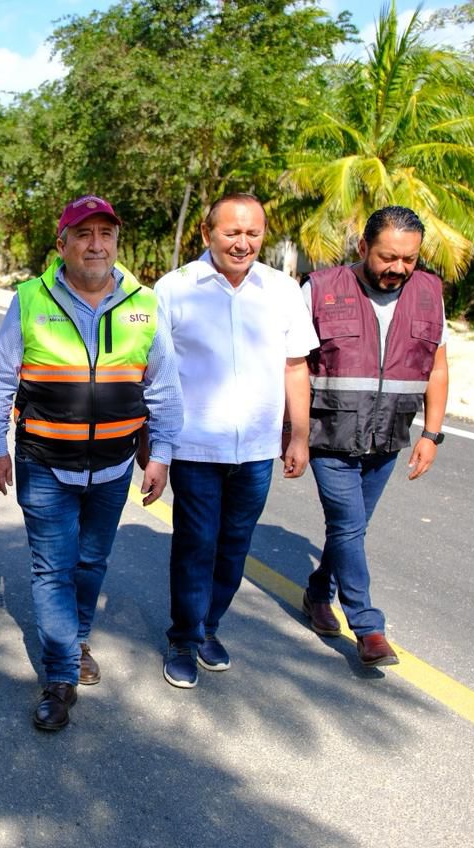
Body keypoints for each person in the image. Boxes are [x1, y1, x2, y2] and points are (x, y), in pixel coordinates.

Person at [0, 195, 182, 731]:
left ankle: (78, 637)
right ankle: (60, 676)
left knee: (91, 562)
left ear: (116, 242)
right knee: (52, 569)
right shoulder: (30, 299)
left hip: (114, 465)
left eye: (105, 234)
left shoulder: (145, 304)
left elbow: (164, 388)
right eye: (83, 234)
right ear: (62, 244)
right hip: (44, 461)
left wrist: (160, 455)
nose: (96, 245)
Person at [153, 193, 318, 689]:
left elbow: (296, 367)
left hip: (257, 450)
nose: (243, 243)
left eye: (253, 233)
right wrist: (155, 444)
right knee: (196, 544)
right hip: (195, 446)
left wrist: (299, 435)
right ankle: (184, 639)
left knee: (234, 546)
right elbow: (155, 373)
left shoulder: (283, 290)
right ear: (207, 234)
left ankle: (209, 628)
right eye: (232, 232)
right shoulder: (175, 289)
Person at [300, 205, 449, 667]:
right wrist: (294, 433)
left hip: (388, 437)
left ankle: (317, 593)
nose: (398, 268)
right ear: (363, 246)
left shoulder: (430, 293)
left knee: (352, 528)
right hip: (330, 434)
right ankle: (368, 627)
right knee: (348, 526)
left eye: (409, 259)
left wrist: (432, 434)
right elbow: (293, 367)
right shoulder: (320, 288)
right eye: (388, 257)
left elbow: (437, 368)